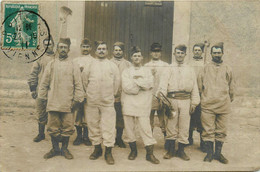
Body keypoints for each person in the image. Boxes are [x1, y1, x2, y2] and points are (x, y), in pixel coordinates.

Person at [38, 38, 84, 160]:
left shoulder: (73, 65)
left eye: (65, 47)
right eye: (61, 47)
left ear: (68, 49)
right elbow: (44, 83)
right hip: (53, 101)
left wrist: (77, 100)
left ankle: (64, 148)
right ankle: (55, 148)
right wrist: (42, 98)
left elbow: (78, 84)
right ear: (57, 49)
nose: (63, 49)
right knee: (53, 126)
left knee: (67, 127)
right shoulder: (51, 64)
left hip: (68, 103)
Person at [158, 44, 200, 161]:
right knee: (171, 125)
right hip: (172, 100)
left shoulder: (190, 69)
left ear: (185, 55)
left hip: (186, 100)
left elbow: (194, 87)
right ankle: (171, 150)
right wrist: (163, 100)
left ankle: (181, 150)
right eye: (178, 53)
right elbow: (163, 84)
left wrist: (194, 103)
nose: (180, 55)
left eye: (182, 53)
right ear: (174, 54)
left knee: (184, 126)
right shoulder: (169, 68)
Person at [82, 41, 120, 165]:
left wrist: (110, 95)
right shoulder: (90, 65)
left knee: (109, 126)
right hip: (92, 100)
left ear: (107, 51)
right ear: (96, 51)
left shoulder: (112, 65)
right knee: (93, 125)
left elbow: (116, 83)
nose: (101, 51)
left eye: (104, 49)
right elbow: (84, 81)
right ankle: (97, 149)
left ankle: (108, 152)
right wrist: (90, 94)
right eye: (99, 49)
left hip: (107, 101)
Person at [121, 46, 160, 164]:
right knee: (129, 129)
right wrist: (141, 85)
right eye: (134, 56)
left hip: (143, 105)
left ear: (142, 58)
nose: (137, 58)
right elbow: (127, 88)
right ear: (131, 58)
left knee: (146, 128)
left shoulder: (147, 71)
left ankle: (150, 154)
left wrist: (135, 82)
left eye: (138, 56)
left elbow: (149, 84)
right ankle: (133, 151)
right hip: (129, 104)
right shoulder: (126, 71)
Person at [198, 42, 235, 164]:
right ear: (211, 54)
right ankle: (209, 153)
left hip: (223, 105)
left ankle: (218, 154)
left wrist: (229, 98)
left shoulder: (228, 68)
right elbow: (199, 85)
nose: (217, 55)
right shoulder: (205, 68)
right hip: (208, 105)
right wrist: (203, 98)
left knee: (221, 130)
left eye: (219, 53)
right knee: (208, 130)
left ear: (222, 53)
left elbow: (231, 86)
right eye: (214, 53)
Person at [28, 35, 55, 142]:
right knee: (41, 111)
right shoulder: (40, 58)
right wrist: (33, 88)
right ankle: (41, 133)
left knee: (54, 112)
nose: (48, 46)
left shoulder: (57, 57)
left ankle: (55, 134)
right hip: (42, 89)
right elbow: (33, 73)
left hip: (55, 89)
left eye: (50, 44)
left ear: (53, 45)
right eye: (46, 44)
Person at [72, 38, 94, 146]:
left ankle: (86, 136)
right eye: (83, 47)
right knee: (77, 114)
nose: (85, 49)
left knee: (87, 113)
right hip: (77, 91)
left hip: (89, 91)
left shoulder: (93, 61)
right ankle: (78, 136)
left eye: (87, 47)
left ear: (90, 48)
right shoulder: (75, 61)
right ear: (80, 47)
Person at [110, 42, 132, 148]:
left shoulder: (128, 64)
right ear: (113, 51)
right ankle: (110, 138)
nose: (118, 52)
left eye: (120, 50)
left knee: (121, 117)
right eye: (116, 50)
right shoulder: (108, 63)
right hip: (110, 94)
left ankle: (119, 138)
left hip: (123, 96)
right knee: (109, 117)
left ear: (123, 51)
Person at [144, 43, 169, 136]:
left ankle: (166, 140)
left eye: (158, 51)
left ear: (161, 53)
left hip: (161, 95)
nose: (156, 53)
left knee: (163, 119)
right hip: (150, 96)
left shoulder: (166, 65)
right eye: (154, 51)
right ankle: (149, 140)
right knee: (149, 119)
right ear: (150, 53)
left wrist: (163, 94)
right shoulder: (146, 66)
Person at [187, 43, 206, 151]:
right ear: (193, 51)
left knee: (201, 118)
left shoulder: (205, 64)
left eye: (199, 50)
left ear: (202, 52)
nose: (197, 52)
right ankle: (189, 138)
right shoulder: (188, 64)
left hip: (201, 93)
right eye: (195, 50)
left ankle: (203, 142)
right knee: (190, 116)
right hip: (191, 93)